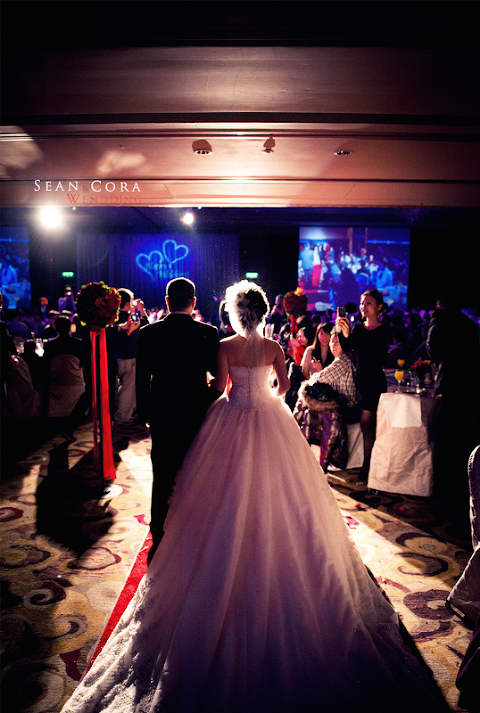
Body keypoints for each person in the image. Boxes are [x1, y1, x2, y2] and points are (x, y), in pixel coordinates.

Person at [61, 280, 449, 713]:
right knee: (285, 492)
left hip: (227, 417)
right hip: (269, 418)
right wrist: (264, 395)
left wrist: (233, 395)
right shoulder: (273, 347)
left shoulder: (224, 344)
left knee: (209, 489)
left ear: (233, 311)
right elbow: (283, 388)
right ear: (262, 313)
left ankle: (195, 542)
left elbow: (220, 387)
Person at [136, 277, 220, 562]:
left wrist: (145, 414)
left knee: (162, 476)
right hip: (196, 414)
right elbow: (217, 376)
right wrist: (207, 403)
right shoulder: (207, 332)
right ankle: (194, 532)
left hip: (161, 413)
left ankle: (158, 534)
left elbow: (141, 380)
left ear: (167, 301)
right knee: (195, 473)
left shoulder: (149, 333)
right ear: (193, 302)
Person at [336, 288, 390, 482]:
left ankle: (368, 469)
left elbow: (372, 352)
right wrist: (341, 332)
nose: (363, 307)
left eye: (368, 303)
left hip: (373, 382)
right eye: (362, 303)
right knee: (364, 425)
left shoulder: (383, 329)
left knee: (367, 425)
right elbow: (348, 347)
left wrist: (350, 335)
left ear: (379, 307)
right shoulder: (358, 328)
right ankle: (367, 465)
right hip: (359, 381)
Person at [294, 330, 359, 469]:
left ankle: (315, 455)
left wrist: (310, 381)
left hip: (347, 405)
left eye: (337, 342)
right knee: (308, 405)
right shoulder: (340, 359)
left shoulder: (343, 360)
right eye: (332, 341)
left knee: (308, 404)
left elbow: (320, 377)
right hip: (339, 401)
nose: (333, 344)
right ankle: (307, 450)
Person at [109, 288, 148, 428]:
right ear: (126, 304)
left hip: (116, 358)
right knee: (128, 388)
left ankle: (123, 413)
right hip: (129, 358)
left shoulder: (112, 319)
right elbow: (146, 326)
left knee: (120, 388)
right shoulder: (131, 318)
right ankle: (122, 417)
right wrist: (141, 310)